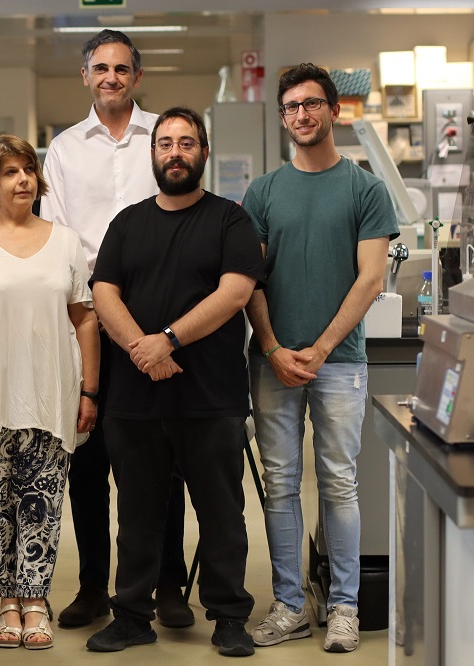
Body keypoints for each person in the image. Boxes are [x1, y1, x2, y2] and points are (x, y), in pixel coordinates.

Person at [86, 107, 263, 657]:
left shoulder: (231, 221)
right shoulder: (128, 222)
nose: (175, 152)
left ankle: (229, 616)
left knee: (221, 513)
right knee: (136, 513)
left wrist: (167, 340)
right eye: (166, 144)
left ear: (203, 152)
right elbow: (103, 293)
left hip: (210, 396)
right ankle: (132, 615)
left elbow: (234, 293)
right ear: (153, 154)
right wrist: (143, 350)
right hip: (135, 399)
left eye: (187, 143)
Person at [41, 28, 194, 629]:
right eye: (100, 68)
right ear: (86, 76)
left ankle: (169, 583)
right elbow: (57, 236)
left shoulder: (161, 137)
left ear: (136, 76)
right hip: (86, 322)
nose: (110, 77)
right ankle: (91, 588)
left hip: (158, 321)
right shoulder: (63, 148)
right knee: (89, 460)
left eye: (121, 68)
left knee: (162, 458)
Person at [244, 63, 398, 654]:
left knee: (338, 484)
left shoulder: (364, 189)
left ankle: (344, 608)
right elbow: (249, 280)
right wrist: (274, 348)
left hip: (339, 362)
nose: (302, 115)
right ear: (283, 117)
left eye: (312, 104)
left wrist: (322, 347)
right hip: (274, 363)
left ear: (334, 110)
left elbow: (369, 278)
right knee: (279, 485)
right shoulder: (263, 192)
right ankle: (288, 605)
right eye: (291, 107)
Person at [0, 134, 99, 650]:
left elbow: (86, 320)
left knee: (44, 502)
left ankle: (35, 600)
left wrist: (89, 391)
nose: (22, 179)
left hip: (52, 393)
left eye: (28, 169)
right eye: (9, 172)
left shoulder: (66, 242)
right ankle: (6, 602)